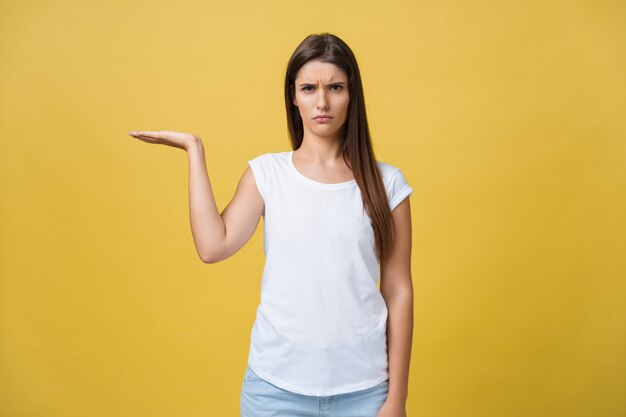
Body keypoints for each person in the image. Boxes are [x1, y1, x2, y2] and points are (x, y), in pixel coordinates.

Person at [128, 32, 413, 417]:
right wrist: (194, 150)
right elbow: (213, 247)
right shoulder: (267, 174)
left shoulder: (388, 184)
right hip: (275, 392)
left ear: (352, 94)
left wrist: (397, 398)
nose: (322, 101)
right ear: (293, 97)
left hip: (365, 392)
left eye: (336, 87)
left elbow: (397, 291)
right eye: (309, 88)